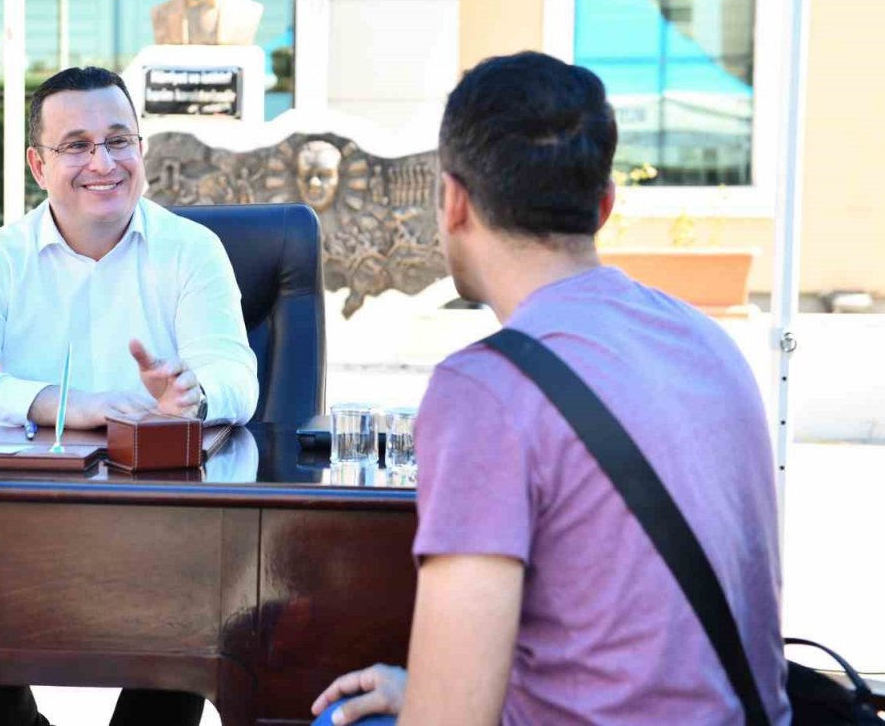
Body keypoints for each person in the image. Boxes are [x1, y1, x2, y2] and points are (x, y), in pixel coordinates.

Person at [310, 52, 788, 725]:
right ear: (605, 204)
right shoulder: (709, 343)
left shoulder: (485, 390)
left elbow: (451, 720)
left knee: (336, 717)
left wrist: (420, 690)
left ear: (452, 201)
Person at [0, 65, 258, 726]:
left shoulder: (193, 252)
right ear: (40, 165)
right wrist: (62, 404)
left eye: (119, 140)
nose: (104, 161)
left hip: (164, 533)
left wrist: (192, 393)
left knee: (198, 598)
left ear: (142, 151)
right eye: (77, 145)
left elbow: (237, 373)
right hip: (22, 531)